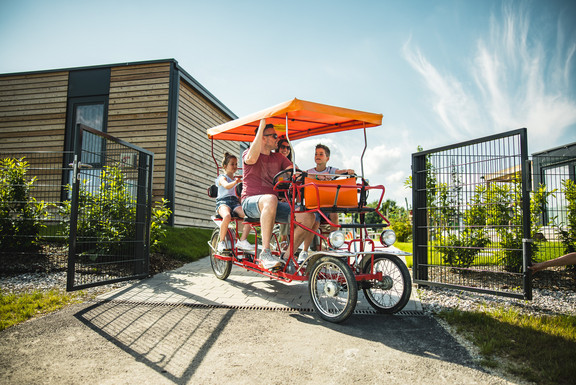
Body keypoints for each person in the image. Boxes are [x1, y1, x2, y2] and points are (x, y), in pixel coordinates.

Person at [241, 119, 315, 271]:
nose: (278, 138)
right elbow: (252, 159)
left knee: (309, 217)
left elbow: (295, 172)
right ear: (263, 137)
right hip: (250, 203)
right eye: (274, 136)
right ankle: (265, 253)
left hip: (272, 204)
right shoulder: (248, 153)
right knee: (271, 198)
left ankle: (286, 258)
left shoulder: (279, 158)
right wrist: (261, 124)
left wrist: (309, 177)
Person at [298, 144, 355, 263]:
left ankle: (334, 245)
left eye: (321, 154)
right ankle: (304, 250)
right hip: (314, 204)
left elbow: (340, 172)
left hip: (327, 203)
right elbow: (303, 176)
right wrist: (315, 176)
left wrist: (347, 171)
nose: (318, 156)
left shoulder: (331, 170)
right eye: (316, 154)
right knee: (314, 222)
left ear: (327, 158)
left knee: (334, 214)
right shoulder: (310, 172)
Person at [215, 152, 254, 254]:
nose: (235, 166)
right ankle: (221, 242)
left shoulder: (236, 179)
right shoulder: (222, 178)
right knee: (227, 216)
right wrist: (236, 182)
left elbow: (240, 195)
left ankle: (242, 241)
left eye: (236, 164)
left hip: (235, 202)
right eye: (232, 164)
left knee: (249, 215)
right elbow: (227, 186)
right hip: (223, 202)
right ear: (225, 166)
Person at [276, 138, 292, 250]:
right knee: (287, 208)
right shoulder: (273, 164)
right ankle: (283, 239)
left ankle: (315, 246)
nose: (285, 150)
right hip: (274, 197)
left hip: (289, 197)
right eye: (283, 147)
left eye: (288, 148)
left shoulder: (291, 166)